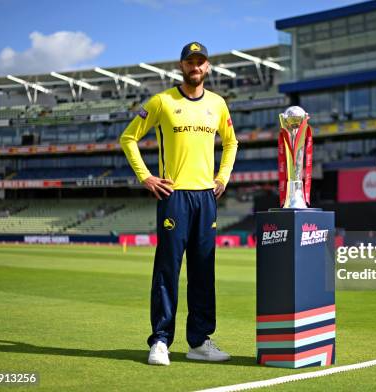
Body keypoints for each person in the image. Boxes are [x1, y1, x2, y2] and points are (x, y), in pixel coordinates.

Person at [120, 41, 238, 366]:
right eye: (190, 62)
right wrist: (146, 177)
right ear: (181, 66)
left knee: (204, 272)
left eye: (201, 62)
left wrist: (223, 177)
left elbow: (231, 142)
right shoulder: (162, 102)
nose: (195, 67)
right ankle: (160, 341)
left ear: (208, 67)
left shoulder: (218, 104)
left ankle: (199, 342)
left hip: (206, 197)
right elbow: (128, 138)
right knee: (168, 270)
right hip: (173, 196)